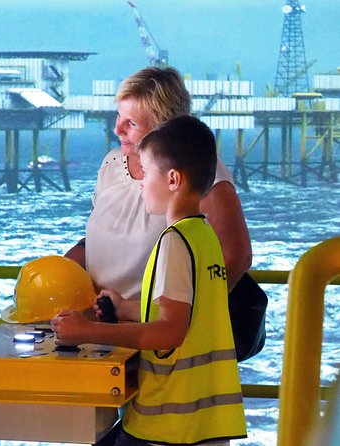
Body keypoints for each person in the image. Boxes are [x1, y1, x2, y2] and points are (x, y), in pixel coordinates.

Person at [52, 115, 247, 445]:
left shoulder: (173, 242)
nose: (140, 183)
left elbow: (171, 330)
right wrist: (126, 308)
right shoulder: (205, 237)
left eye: (146, 172)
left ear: (172, 179)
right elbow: (191, 316)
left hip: (167, 423)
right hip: (206, 422)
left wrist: (87, 331)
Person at [65, 66, 252, 298]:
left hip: (155, 329)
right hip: (100, 320)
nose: (117, 129)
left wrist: (173, 315)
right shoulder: (111, 163)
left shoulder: (202, 171)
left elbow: (235, 258)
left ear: (165, 129)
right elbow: (101, 241)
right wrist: (59, 269)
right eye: (118, 116)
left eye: (131, 123)